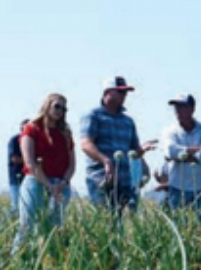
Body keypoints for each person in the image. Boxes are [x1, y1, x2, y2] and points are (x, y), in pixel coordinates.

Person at [79, 76, 157, 211]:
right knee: (105, 222)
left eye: (125, 92)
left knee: (123, 224)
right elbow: (86, 144)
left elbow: (134, 151)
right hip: (101, 180)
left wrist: (143, 156)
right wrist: (106, 161)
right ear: (107, 92)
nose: (124, 95)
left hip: (125, 181)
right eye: (120, 92)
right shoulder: (93, 116)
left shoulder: (128, 121)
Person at [13, 95, 75, 249]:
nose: (60, 111)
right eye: (57, 106)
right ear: (47, 106)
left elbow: (72, 163)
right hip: (36, 181)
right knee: (27, 225)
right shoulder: (32, 128)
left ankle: (52, 264)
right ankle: (16, 264)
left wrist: (64, 182)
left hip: (60, 184)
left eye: (63, 108)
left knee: (55, 228)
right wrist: (48, 185)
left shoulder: (65, 132)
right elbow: (30, 162)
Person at [160, 94, 201, 227]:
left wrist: (182, 155)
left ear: (192, 109)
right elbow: (170, 151)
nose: (178, 111)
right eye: (176, 107)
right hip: (177, 187)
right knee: (178, 228)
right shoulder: (170, 131)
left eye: (182, 107)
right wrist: (196, 152)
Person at [7, 122, 27, 215]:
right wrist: (31, 161)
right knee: (16, 204)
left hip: (28, 177)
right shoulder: (15, 140)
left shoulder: (34, 141)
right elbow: (14, 159)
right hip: (16, 177)